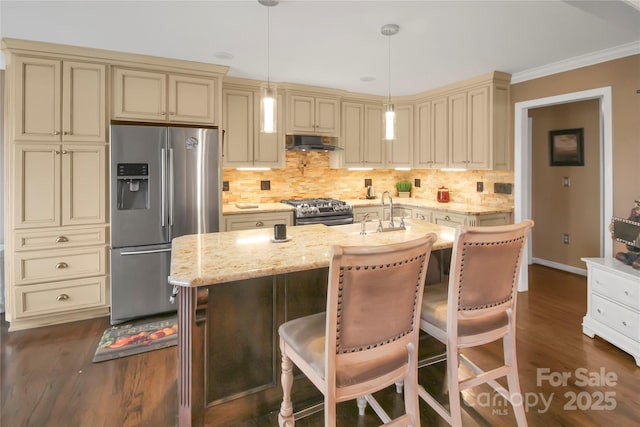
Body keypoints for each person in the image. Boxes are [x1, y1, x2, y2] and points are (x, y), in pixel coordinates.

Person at [614, 199, 640, 269]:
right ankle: (631, 258)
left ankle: (636, 261)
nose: (636, 206)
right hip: (633, 251)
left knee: (637, 264)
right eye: (636, 203)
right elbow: (627, 228)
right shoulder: (633, 217)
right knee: (619, 255)